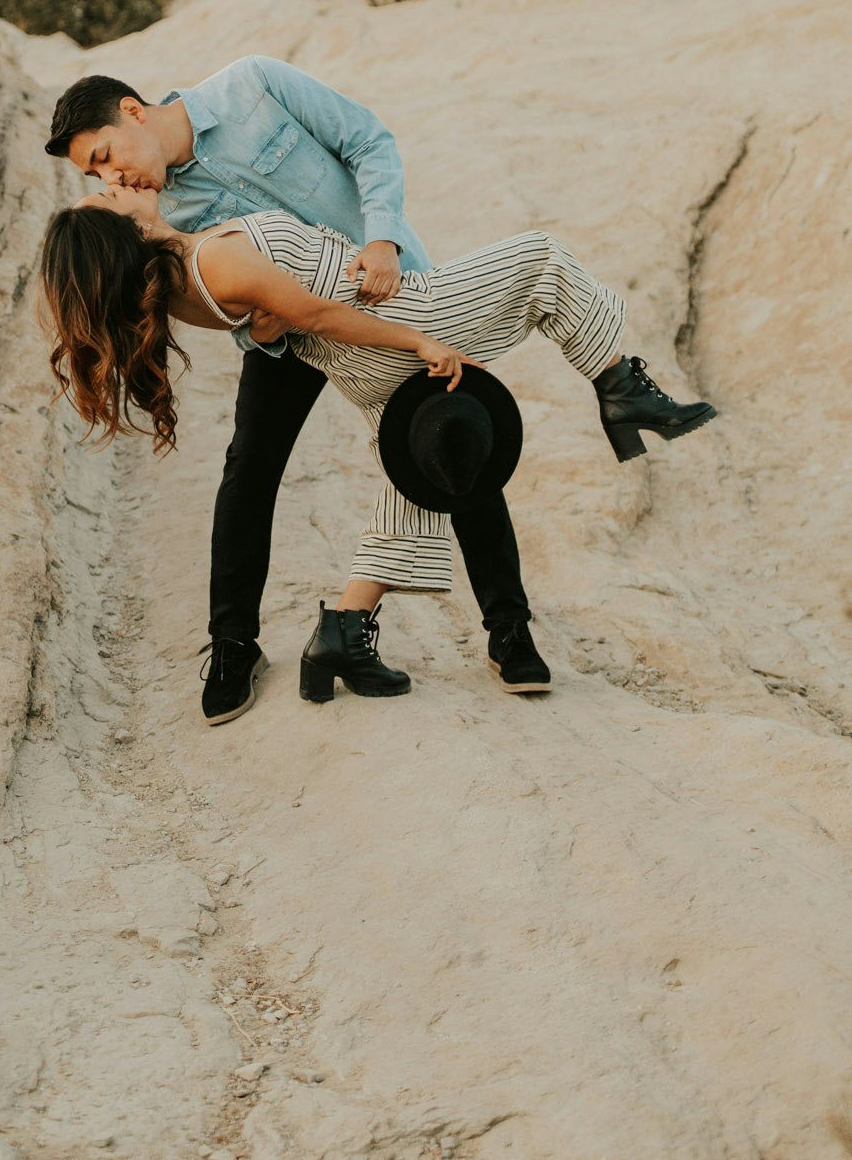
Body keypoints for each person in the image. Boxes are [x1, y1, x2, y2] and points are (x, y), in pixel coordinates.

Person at [43, 60, 717, 720]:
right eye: (95, 176)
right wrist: (268, 320)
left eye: (104, 156)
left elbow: (367, 141)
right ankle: (232, 647)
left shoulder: (251, 88)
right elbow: (218, 293)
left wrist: (385, 238)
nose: (110, 176)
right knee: (251, 466)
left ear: (132, 110)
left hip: (385, 289)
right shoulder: (163, 211)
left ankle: (504, 632)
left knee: (445, 433)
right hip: (301, 334)